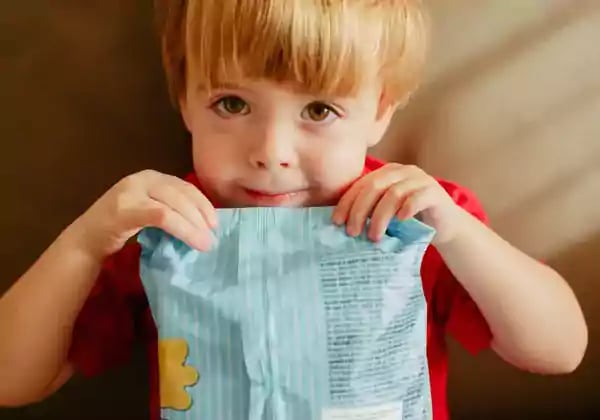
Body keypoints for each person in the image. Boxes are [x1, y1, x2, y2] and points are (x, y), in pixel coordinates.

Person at [0, 1, 587, 419]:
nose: (271, 154)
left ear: (380, 112)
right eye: (231, 103)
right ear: (184, 98)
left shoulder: (414, 217)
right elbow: (12, 381)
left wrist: (458, 234)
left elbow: (559, 351)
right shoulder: (160, 224)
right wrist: (83, 244)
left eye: (320, 111)